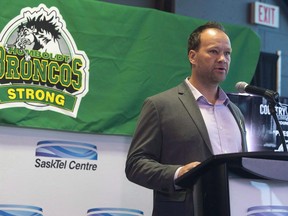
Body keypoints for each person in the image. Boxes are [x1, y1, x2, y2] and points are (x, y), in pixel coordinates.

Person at [125, 21, 247, 216]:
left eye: (227, 53)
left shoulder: (236, 112)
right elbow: (136, 165)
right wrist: (178, 173)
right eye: (214, 51)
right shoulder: (160, 105)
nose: (223, 59)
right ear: (192, 56)